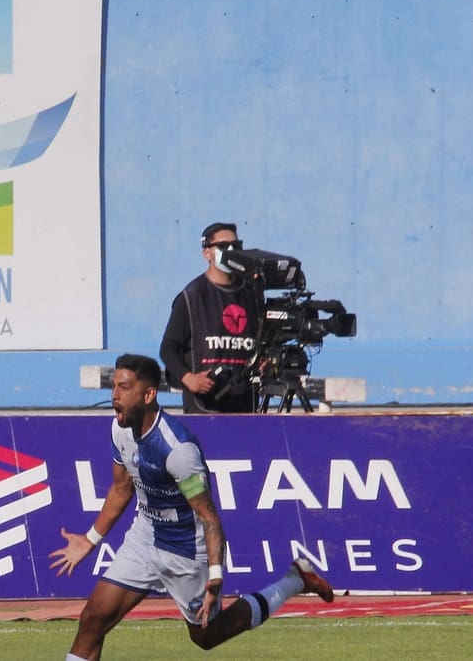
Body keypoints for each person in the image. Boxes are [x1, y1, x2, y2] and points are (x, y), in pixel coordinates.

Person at [50, 353, 334, 661]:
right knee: (93, 619)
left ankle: (294, 581)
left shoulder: (178, 452)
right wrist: (90, 539)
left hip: (186, 550)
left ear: (148, 395)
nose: (115, 395)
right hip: (144, 538)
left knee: (207, 636)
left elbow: (208, 517)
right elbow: (121, 488)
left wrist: (215, 576)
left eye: (125, 387)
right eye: (114, 387)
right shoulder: (119, 430)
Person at [159, 221, 258, 413]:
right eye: (222, 246)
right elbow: (168, 349)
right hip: (204, 406)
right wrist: (189, 378)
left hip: (245, 406)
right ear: (207, 253)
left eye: (236, 246)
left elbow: (259, 342)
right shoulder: (191, 297)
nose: (231, 250)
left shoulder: (251, 294)